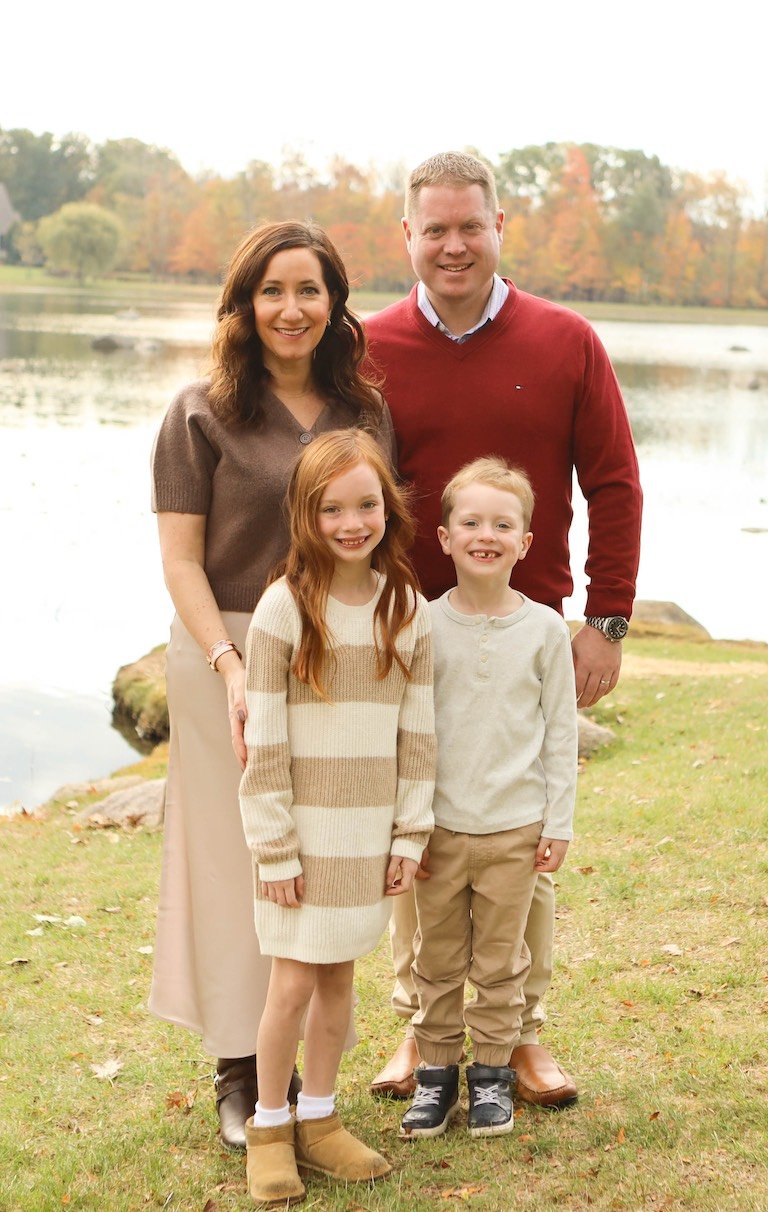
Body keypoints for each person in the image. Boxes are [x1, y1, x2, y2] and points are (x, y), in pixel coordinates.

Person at [366, 151, 642, 1107]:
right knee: (417, 833)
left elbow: (614, 483)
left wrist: (604, 617)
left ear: (497, 230)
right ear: (407, 235)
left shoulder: (565, 340)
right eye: (433, 228)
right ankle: (423, 1026)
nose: (452, 245)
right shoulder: (368, 347)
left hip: (527, 630)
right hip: (405, 637)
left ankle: (519, 1033)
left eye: (469, 226)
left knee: (523, 834)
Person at [149, 221, 395, 1151]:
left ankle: (314, 1072)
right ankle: (243, 1073)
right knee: (235, 861)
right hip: (228, 654)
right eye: (272, 291)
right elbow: (180, 562)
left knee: (321, 855)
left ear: (335, 303)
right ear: (244, 305)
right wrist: (227, 668)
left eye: (310, 290)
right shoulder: (198, 412)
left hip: (338, 655)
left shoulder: (365, 411)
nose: (291, 309)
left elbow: (378, 535)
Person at [238, 429, 436, 1205]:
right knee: (290, 985)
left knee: (340, 982)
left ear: (388, 507)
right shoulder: (284, 610)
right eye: (332, 509)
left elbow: (419, 737)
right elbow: (265, 742)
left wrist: (411, 832)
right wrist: (276, 848)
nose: (352, 523)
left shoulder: (405, 609)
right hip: (300, 838)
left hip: (367, 833)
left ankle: (321, 1120)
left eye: (367, 505)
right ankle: (269, 1123)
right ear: (305, 514)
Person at [399, 457, 576, 1141]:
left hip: (514, 828)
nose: (486, 535)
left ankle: (494, 1076)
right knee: (436, 959)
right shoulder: (424, 625)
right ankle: (437, 1074)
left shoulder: (544, 632)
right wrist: (408, 828)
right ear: (443, 536)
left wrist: (556, 822)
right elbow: (408, 734)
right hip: (439, 829)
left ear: (525, 542)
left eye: (503, 524)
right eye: (470, 522)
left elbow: (560, 735)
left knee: (502, 962)